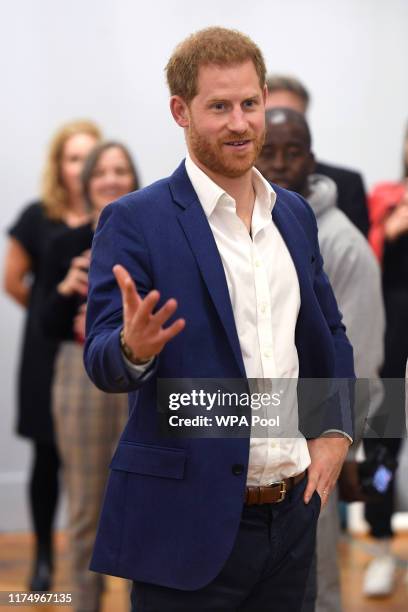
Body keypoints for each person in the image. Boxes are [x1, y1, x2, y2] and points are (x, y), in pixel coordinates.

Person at [84, 27, 354, 611]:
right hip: (186, 525)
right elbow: (102, 358)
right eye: (219, 107)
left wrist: (334, 431)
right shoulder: (134, 220)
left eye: (250, 104)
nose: (240, 123)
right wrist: (133, 347)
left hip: (291, 517)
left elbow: (329, 332)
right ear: (181, 111)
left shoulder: (296, 216)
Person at [256, 107, 385, 612]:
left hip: (314, 438)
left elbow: (358, 350)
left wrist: (351, 442)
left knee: (315, 576)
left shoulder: (342, 243)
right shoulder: (243, 222)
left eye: (294, 153)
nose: (281, 164)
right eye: (271, 151)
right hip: (246, 435)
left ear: (313, 160)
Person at [3, 120, 101, 591]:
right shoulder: (37, 217)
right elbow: (13, 280)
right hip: (47, 352)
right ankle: (43, 556)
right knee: (47, 455)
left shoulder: (114, 215)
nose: (81, 167)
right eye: (73, 157)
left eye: (90, 157)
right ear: (59, 166)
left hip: (95, 355)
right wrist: (52, 313)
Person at [41, 142, 139, 611]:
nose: (111, 179)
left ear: (134, 178)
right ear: (85, 182)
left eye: (121, 170)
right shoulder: (64, 242)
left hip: (147, 378)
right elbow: (44, 325)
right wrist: (65, 290)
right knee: (86, 509)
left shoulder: (152, 236)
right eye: (101, 171)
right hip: (80, 379)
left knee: (149, 504)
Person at [361, 122, 408, 597]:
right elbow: (362, 263)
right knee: (381, 451)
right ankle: (379, 548)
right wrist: (388, 227)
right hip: (389, 351)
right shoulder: (384, 196)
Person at [265, 74, 370, 237]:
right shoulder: (235, 184)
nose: (281, 124)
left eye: (291, 115)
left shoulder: (346, 185)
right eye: (272, 115)